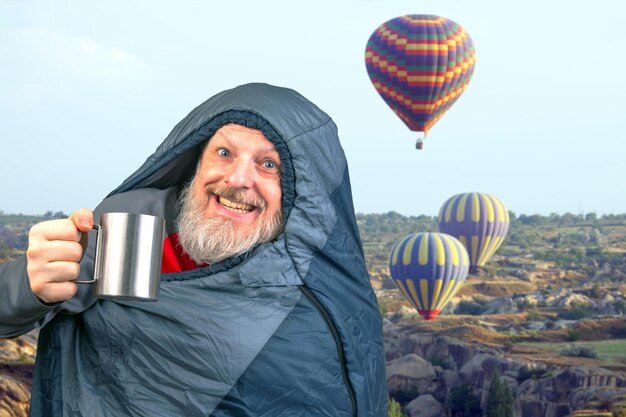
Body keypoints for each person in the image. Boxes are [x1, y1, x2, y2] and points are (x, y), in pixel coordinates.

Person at [0, 83, 388, 416]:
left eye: (268, 164)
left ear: (304, 189)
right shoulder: (132, 227)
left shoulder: (329, 289)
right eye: (224, 153)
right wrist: (28, 285)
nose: (238, 178)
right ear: (195, 160)